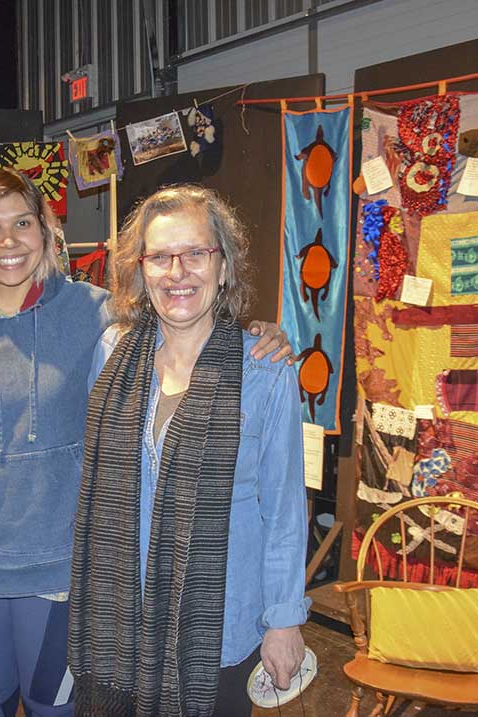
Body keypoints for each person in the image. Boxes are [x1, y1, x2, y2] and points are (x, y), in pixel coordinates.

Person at [0, 168, 292, 717]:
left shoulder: (95, 317)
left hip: (67, 573)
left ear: (47, 232)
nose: (8, 240)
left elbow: (186, 313)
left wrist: (258, 333)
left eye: (23, 222)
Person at [68, 185, 309, 716]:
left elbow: (284, 510)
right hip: (120, 625)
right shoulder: (111, 354)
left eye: (196, 252)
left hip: (219, 628)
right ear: (141, 270)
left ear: (223, 267)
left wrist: (284, 620)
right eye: (160, 256)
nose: (177, 272)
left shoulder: (264, 371)